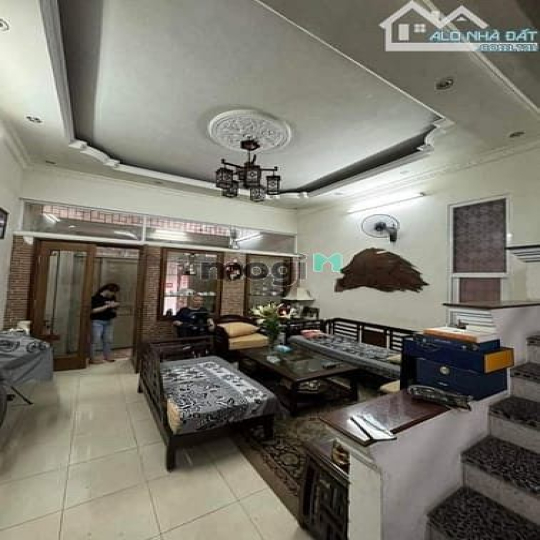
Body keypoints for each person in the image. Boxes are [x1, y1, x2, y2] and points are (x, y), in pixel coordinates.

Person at [90, 283, 120, 364]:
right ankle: (92, 359)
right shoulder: (96, 298)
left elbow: (115, 306)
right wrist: (107, 306)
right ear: (107, 290)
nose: (113, 294)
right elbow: (94, 310)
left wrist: (116, 305)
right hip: (97, 321)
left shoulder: (112, 297)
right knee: (95, 340)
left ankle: (107, 357)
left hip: (109, 321)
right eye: (113, 292)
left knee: (108, 340)